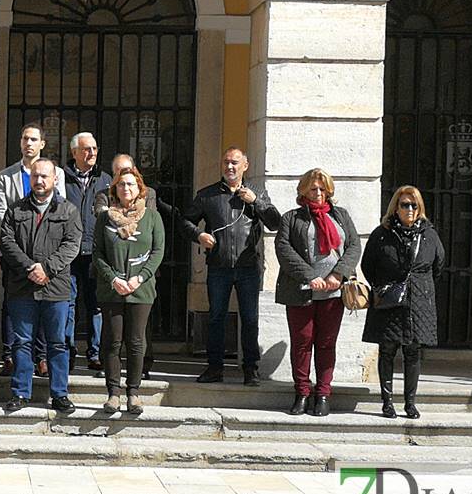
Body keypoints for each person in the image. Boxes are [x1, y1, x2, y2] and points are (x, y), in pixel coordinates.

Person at [181, 147, 281, 386]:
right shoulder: (208, 195)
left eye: (235, 162)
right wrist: (199, 235)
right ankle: (214, 367)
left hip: (248, 267)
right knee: (216, 317)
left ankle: (250, 369)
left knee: (250, 318)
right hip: (219, 265)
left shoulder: (257, 192)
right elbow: (185, 221)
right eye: (226, 162)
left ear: (245, 165)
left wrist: (255, 202)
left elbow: (276, 222)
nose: (230, 167)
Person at [273, 169, 361, 417]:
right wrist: (310, 277)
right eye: (313, 189)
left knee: (326, 344)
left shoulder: (340, 216)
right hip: (301, 291)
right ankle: (302, 392)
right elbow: (283, 249)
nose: (319, 193)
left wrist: (337, 275)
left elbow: (354, 246)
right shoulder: (291, 218)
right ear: (304, 190)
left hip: (333, 293)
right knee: (302, 344)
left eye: (323, 189)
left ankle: (323, 394)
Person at [0, 158, 82, 413]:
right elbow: (6, 242)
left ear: (55, 179)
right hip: (22, 287)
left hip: (55, 288)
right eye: (35, 176)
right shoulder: (16, 210)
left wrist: (47, 268)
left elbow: (72, 245)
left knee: (58, 342)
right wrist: (29, 268)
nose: (39, 181)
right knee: (22, 341)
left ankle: (59, 394)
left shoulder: (68, 211)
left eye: (44, 176)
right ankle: (20, 393)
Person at [362, 186, 445, 420]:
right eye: (404, 205)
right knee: (387, 350)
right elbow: (368, 265)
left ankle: (410, 403)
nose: (409, 209)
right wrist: (386, 286)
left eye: (413, 205)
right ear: (395, 208)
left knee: (412, 352)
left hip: (419, 301)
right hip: (390, 300)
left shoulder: (429, 234)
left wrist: (419, 286)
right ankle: (387, 402)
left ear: (420, 209)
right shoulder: (382, 233)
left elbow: (438, 265)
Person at [0, 123, 66, 377]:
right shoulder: (7, 175)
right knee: (14, 306)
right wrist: (18, 248)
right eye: (25, 138)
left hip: (47, 255)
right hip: (16, 252)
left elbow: (62, 209)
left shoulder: (57, 174)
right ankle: (10, 355)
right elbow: (1, 212)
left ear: (42, 144)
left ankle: (42, 357)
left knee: (46, 304)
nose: (29, 143)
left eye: (34, 139)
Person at [93, 167, 164, 414]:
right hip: (112, 289)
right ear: (115, 189)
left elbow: (157, 252)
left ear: (140, 189)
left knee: (136, 342)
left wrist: (140, 278)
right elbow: (98, 253)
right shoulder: (104, 218)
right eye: (122, 184)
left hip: (140, 291)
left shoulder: (152, 217)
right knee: (112, 342)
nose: (126, 189)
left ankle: (133, 392)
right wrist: (113, 279)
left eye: (131, 185)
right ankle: (113, 393)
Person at [63, 132, 111, 372]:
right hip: (69, 251)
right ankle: (68, 352)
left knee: (96, 305)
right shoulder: (63, 178)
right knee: (69, 303)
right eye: (86, 149)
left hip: (95, 251)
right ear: (74, 153)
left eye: (94, 148)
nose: (92, 153)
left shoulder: (105, 180)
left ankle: (95, 354)